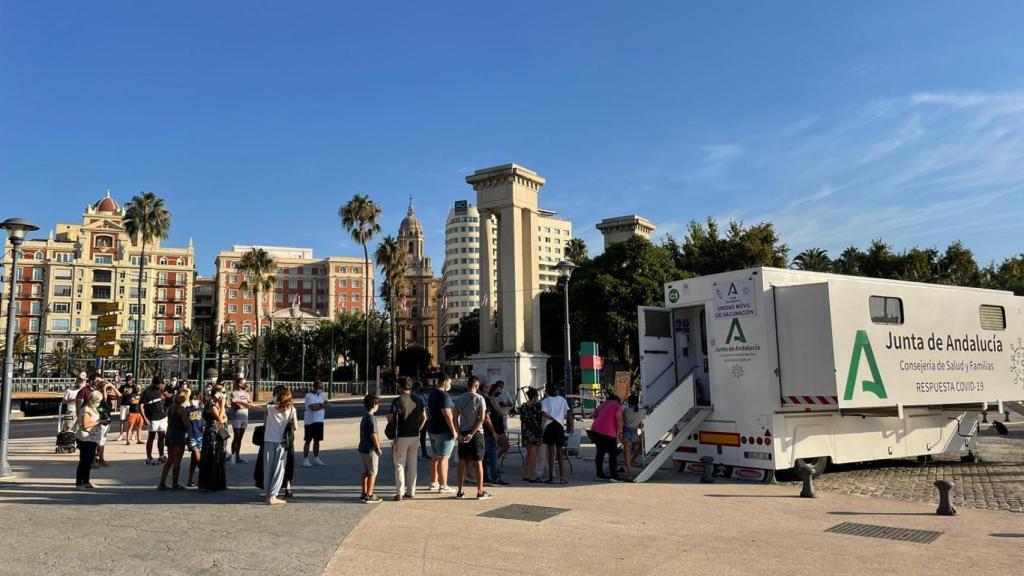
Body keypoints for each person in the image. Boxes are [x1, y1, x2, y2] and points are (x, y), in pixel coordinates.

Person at [453, 376, 492, 500]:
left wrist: (459, 433)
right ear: (476, 386)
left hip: (463, 433)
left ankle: (460, 491)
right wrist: (472, 433)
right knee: (478, 462)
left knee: (462, 461)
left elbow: (454, 418)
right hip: (476, 434)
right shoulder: (480, 399)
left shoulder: (459, 399)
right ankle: (480, 492)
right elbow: (481, 418)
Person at [387, 377, 425, 502]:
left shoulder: (397, 401)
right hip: (415, 436)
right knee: (413, 464)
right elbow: (424, 417)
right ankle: (411, 491)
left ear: (401, 387)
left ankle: (399, 492)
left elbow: (390, 418)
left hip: (401, 436)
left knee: (399, 464)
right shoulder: (418, 400)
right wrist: (418, 429)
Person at [262, 387, 298, 505]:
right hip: (282, 442)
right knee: (279, 469)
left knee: (268, 468)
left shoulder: (270, 408)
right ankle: (273, 496)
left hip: (268, 439)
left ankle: (268, 494)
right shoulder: (291, 409)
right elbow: (295, 427)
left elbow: (265, 423)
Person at [426, 374, 457, 493]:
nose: (450, 385)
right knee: (444, 458)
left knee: (435, 457)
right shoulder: (444, 395)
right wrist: (453, 430)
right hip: (444, 431)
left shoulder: (432, 394)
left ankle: (433, 482)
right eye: (449, 382)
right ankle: (443, 485)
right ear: (444, 382)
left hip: (432, 428)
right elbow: (447, 414)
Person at [198, 386, 229, 492]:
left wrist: (222, 414)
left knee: (219, 457)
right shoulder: (211, 404)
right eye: (223, 392)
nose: (224, 394)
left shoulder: (217, 404)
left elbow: (225, 418)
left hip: (219, 433)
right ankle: (209, 483)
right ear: (216, 393)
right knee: (212, 456)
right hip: (212, 434)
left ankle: (218, 482)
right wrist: (223, 406)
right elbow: (220, 418)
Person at [541, 383, 572, 484]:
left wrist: (551, 418)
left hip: (550, 426)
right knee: (560, 453)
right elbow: (568, 412)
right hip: (559, 427)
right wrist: (570, 425)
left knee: (551, 453)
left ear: (547, 391)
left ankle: (551, 477)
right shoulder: (562, 400)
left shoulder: (545, 401)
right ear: (556, 390)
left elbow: (544, 413)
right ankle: (562, 477)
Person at [158, 391, 190, 490]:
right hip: (178, 435)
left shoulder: (171, 408)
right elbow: (186, 424)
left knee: (170, 460)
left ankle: (162, 483)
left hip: (170, 434)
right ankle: (175, 483)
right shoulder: (181, 409)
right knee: (177, 461)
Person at [590, 392, 625, 482]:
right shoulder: (616, 404)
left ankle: (599, 474)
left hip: (595, 430)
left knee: (600, 453)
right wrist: (621, 432)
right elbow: (619, 419)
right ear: (617, 400)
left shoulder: (603, 404)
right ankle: (614, 476)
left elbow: (594, 415)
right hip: (608, 431)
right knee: (612, 454)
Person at [74, 390, 104, 490]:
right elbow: (86, 424)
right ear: (91, 401)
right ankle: (79, 483)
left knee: (89, 461)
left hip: (92, 438)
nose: (99, 403)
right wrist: (99, 422)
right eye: (98, 401)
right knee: (84, 461)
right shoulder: (86, 409)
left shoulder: (93, 409)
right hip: (85, 438)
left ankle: (86, 481)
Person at [483, 382, 509, 486]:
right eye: (499, 389)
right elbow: (501, 412)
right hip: (496, 428)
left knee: (490, 452)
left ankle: (489, 473)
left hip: (496, 427)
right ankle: (494, 475)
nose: (500, 391)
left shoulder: (490, 399)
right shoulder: (491, 399)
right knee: (496, 450)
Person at [358, 393, 383, 503]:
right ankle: (370, 494)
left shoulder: (364, 417)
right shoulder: (372, 418)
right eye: (377, 404)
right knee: (373, 472)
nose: (378, 406)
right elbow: (374, 434)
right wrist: (378, 447)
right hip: (371, 449)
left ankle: (363, 492)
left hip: (363, 447)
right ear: (374, 405)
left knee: (365, 472)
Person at [140, 375, 168, 465]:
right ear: (154, 383)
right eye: (158, 384)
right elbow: (141, 406)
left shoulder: (160, 390)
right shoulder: (147, 392)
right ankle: (149, 457)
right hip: (153, 418)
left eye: (161, 384)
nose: (159, 386)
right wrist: (145, 418)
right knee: (151, 438)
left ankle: (161, 455)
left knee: (162, 436)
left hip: (162, 417)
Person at [519, 388, 544, 482]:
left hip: (526, 432)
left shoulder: (523, 406)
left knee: (529, 453)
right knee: (534, 455)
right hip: (535, 432)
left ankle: (526, 474)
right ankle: (533, 475)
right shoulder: (537, 406)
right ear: (535, 396)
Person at [228, 376, 254, 464]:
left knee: (240, 438)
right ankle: (233, 456)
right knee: (236, 437)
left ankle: (238, 457)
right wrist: (244, 404)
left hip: (245, 417)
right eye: (243, 383)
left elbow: (251, 403)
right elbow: (236, 406)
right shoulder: (234, 393)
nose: (245, 384)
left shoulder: (246, 393)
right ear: (239, 384)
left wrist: (242, 404)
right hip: (237, 417)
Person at [302, 381, 328, 467]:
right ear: (315, 387)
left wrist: (319, 405)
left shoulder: (322, 395)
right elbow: (313, 408)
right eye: (320, 387)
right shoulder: (309, 395)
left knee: (317, 441)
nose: (321, 389)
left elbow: (329, 405)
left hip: (320, 420)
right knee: (308, 440)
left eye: (322, 387)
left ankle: (316, 458)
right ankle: (305, 459)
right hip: (310, 421)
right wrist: (322, 405)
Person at [94, 378, 119, 466]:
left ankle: (100, 458)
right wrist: (104, 387)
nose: (108, 390)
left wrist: (112, 386)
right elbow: (104, 398)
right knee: (99, 441)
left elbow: (119, 395)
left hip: (107, 420)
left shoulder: (108, 395)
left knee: (102, 441)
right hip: (100, 420)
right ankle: (100, 459)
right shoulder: (98, 395)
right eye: (105, 388)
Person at [622, 394, 644, 479]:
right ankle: (633, 459)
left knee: (626, 454)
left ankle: (629, 475)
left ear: (629, 402)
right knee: (642, 446)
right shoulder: (642, 411)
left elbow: (623, 422)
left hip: (626, 431)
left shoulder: (626, 411)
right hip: (634, 432)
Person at [185, 388, 204, 487]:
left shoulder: (202, 410)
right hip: (191, 435)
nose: (194, 400)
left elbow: (203, 423)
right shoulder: (187, 410)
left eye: (196, 398)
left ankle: (190, 480)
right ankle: (205, 475)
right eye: (193, 398)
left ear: (200, 400)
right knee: (197, 456)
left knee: (194, 460)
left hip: (200, 435)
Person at [413, 380, 430, 460]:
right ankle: (414, 454)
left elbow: (428, 403)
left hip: (424, 418)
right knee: (415, 437)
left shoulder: (424, 395)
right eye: (420, 386)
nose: (421, 387)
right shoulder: (413, 396)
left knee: (423, 437)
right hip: (416, 418)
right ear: (416, 387)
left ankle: (424, 453)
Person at [116, 375, 134, 441]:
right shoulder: (123, 387)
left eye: (129, 380)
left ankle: (132, 433)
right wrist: (123, 393)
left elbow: (137, 393)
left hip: (131, 405)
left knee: (131, 420)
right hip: (123, 404)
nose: (128, 381)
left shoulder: (133, 387)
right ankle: (121, 435)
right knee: (122, 419)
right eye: (127, 380)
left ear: (131, 380)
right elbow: (118, 393)